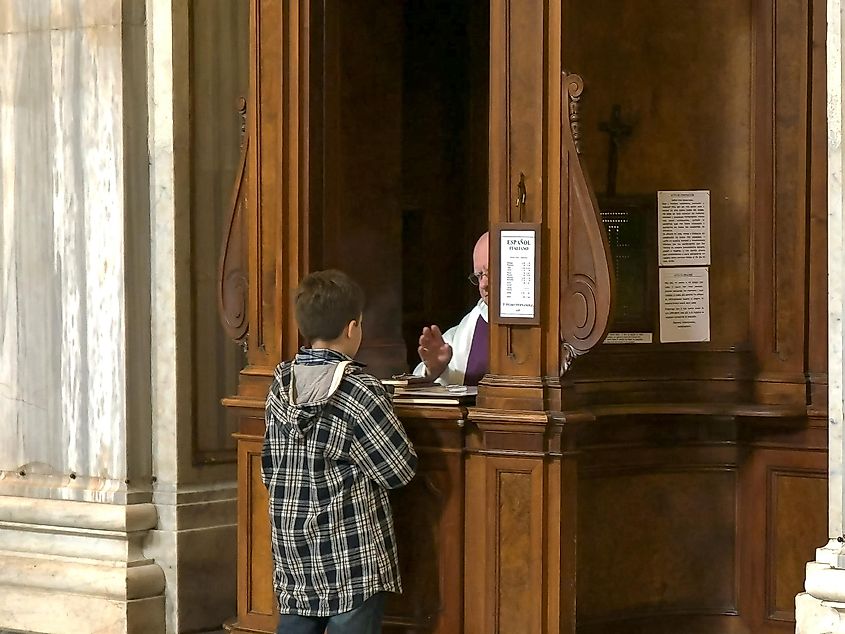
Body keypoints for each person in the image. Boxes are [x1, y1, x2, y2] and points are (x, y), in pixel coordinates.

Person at [262, 269, 418, 634]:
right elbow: (399, 470)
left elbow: (269, 470)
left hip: (293, 551)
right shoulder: (360, 391)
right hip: (351, 555)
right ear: (352, 328)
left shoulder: (280, 385)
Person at [413, 231, 489, 385]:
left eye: (490, 272)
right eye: (479, 275)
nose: (483, 284)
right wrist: (435, 369)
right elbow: (422, 374)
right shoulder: (465, 331)